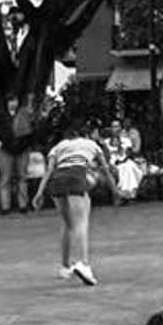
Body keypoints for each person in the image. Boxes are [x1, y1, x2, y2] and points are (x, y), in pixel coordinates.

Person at [32, 121, 112, 285]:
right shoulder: (91, 144)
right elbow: (106, 169)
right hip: (76, 176)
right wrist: (116, 191)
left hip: (57, 180)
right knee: (81, 222)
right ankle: (84, 263)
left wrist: (39, 193)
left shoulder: (58, 147)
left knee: (68, 224)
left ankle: (65, 266)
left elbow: (49, 171)